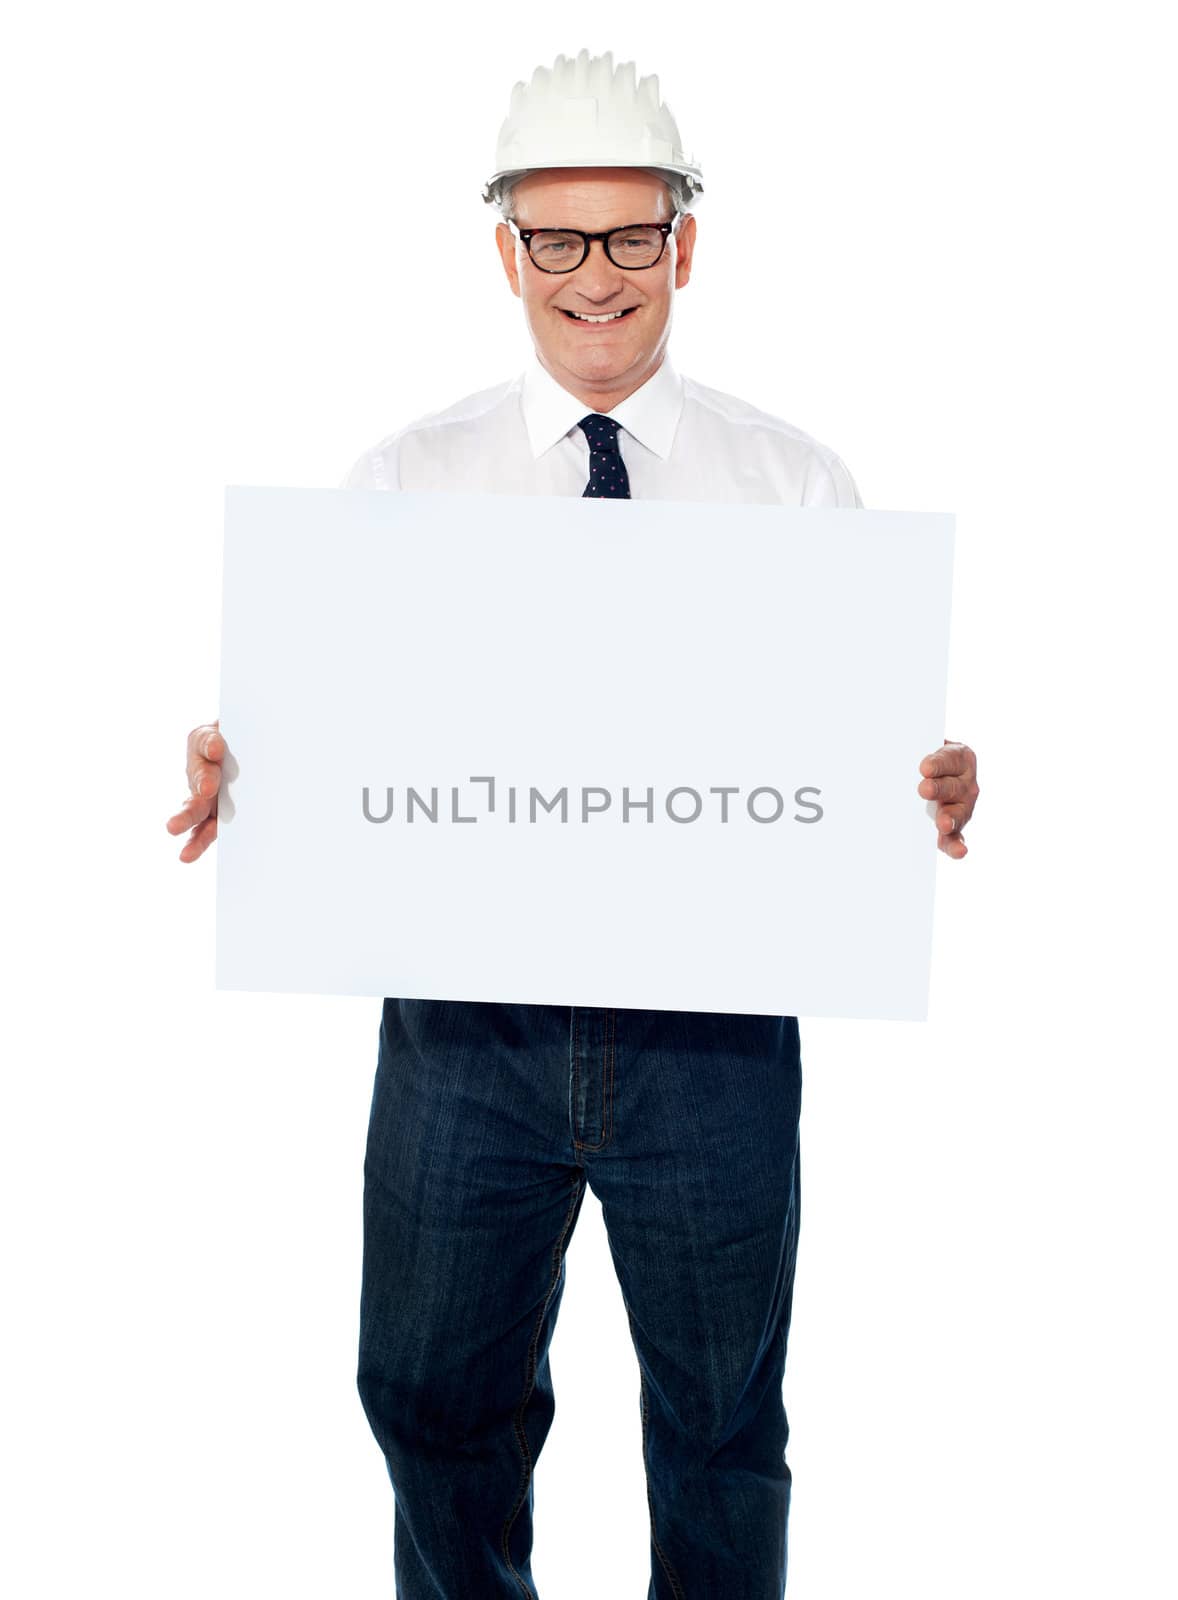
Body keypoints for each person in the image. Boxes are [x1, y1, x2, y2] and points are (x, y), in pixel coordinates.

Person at [166, 49, 979, 1600]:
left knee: (722, 1419)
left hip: (711, 1045)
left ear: (684, 244)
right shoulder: (405, 477)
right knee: (431, 1399)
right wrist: (242, 763)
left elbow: (862, 752)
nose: (592, 277)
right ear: (503, 253)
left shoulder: (791, 485)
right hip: (465, 1042)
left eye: (627, 236)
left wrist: (927, 779)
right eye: (557, 239)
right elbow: (321, 735)